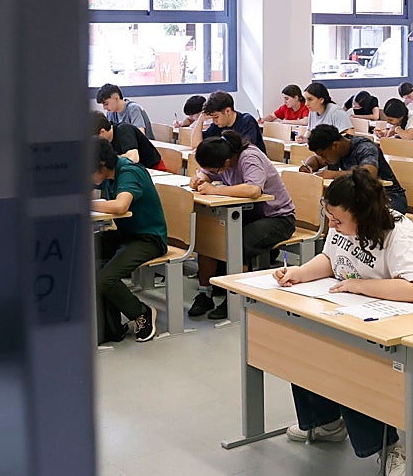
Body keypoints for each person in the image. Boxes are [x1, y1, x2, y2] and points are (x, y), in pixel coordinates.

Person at [274, 168, 413, 476]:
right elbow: (331, 260)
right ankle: (325, 423)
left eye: (337, 221)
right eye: (329, 218)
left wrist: (360, 287)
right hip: (367, 311)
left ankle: (388, 447)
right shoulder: (341, 224)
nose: (332, 226)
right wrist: (299, 272)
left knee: (349, 357)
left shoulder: (398, 231)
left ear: (363, 213)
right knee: (304, 336)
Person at [187, 132, 298, 319]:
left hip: (278, 218)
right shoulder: (221, 156)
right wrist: (200, 178)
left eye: (214, 169)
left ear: (226, 162)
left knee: (239, 242)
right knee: (208, 237)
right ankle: (204, 293)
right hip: (249, 214)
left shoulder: (249, 157)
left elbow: (254, 190)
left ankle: (235, 298)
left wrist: (215, 189)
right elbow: (206, 173)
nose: (213, 172)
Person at [91, 138, 165, 343]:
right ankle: (110, 328)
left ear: (102, 165)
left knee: (104, 279)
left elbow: (120, 206)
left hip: (148, 238)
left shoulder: (129, 172)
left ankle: (142, 312)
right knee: (85, 259)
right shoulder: (107, 173)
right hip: (125, 235)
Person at [302, 124, 408, 214]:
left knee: (346, 214)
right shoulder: (335, 150)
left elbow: (368, 173)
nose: (323, 159)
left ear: (335, 145)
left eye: (324, 155)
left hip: (388, 197)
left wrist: (332, 174)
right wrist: (308, 166)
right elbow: (316, 160)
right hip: (362, 197)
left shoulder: (365, 147)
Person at [191, 91, 264, 151]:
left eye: (216, 117)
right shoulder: (218, 125)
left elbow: (243, 151)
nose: (214, 121)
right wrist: (200, 120)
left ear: (228, 111)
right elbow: (196, 146)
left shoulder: (247, 121)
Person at [94, 112, 166, 171]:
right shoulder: (105, 139)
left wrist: (109, 160)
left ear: (102, 132)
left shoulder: (124, 130)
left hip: (153, 170)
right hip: (132, 171)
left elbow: (134, 158)